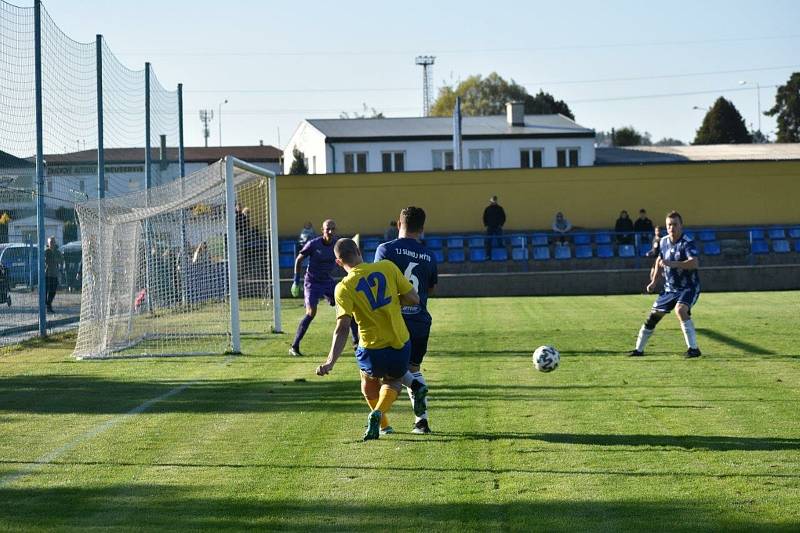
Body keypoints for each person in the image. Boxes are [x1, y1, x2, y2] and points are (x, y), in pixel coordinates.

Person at [315, 238, 428, 441]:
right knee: (393, 381)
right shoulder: (387, 267)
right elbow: (414, 298)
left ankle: (383, 423)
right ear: (358, 250)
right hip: (399, 343)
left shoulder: (343, 287)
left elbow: (342, 329)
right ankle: (400, 396)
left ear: (339, 263)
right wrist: (394, 302)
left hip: (371, 349)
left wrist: (330, 361)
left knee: (367, 379)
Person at [374, 206, 437, 434]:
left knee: (387, 374)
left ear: (398, 224)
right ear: (422, 228)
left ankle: (382, 422)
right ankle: (422, 422)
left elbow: (378, 284)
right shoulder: (429, 255)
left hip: (393, 322)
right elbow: (430, 288)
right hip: (420, 320)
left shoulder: (385, 250)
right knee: (413, 367)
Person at [629, 211, 702, 358]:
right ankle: (638, 350)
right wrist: (654, 281)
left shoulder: (687, 242)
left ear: (681, 225)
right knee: (653, 316)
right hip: (669, 289)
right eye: (669, 225)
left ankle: (693, 349)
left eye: (675, 224)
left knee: (680, 310)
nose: (672, 228)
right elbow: (659, 261)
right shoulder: (663, 241)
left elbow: (694, 263)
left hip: (688, 287)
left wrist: (673, 263)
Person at [290, 219, 358, 357]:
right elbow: (299, 259)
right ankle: (294, 346)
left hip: (327, 281)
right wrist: (296, 281)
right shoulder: (313, 244)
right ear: (322, 230)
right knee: (311, 313)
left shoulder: (338, 245)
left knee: (348, 307)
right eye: (328, 229)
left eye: (333, 228)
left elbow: (347, 260)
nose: (331, 231)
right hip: (312, 282)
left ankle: (356, 343)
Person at [44, 236, 63, 313]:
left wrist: (56, 260)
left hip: (54, 274)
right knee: (45, 291)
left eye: (53, 242)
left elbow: (61, 260)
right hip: (47, 274)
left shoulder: (57, 252)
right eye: (51, 242)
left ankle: (49, 304)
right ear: (48, 243)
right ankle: (46, 306)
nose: (52, 243)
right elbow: (45, 261)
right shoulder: (46, 252)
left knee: (53, 291)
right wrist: (50, 261)